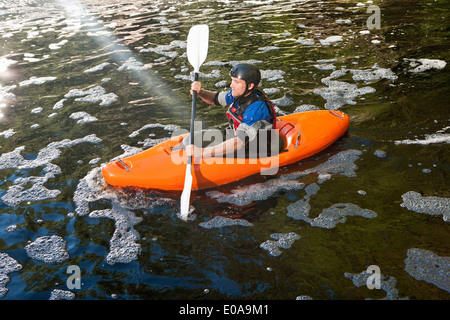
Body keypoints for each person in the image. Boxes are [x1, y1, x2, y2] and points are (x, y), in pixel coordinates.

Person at [186, 63, 277, 159]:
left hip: (256, 150)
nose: (231, 85)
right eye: (232, 80)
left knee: (210, 153)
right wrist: (200, 92)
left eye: (236, 82)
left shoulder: (256, 110)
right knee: (192, 139)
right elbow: (215, 99)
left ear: (250, 86)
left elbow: (239, 143)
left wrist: (203, 152)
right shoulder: (238, 94)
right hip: (240, 139)